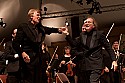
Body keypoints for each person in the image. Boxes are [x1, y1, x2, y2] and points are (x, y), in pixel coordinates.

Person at [60, 16, 117, 83]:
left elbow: (108, 47)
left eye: (89, 22)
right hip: (85, 65)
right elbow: (74, 44)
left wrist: (114, 60)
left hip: (96, 64)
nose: (86, 23)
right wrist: (67, 34)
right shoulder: (82, 35)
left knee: (93, 81)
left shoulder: (99, 34)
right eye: (85, 22)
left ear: (93, 26)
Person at [12, 8, 61, 83]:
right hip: (28, 59)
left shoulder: (40, 28)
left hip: (39, 59)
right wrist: (22, 53)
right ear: (31, 16)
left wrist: (59, 30)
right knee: (29, 80)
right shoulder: (24, 27)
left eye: (40, 15)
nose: (39, 17)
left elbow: (49, 30)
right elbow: (15, 43)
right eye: (37, 15)